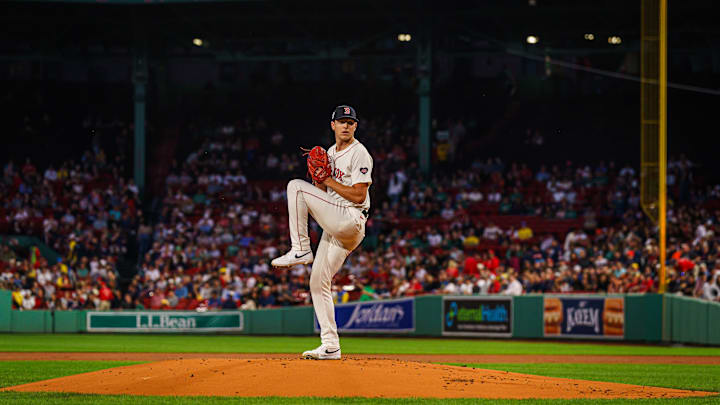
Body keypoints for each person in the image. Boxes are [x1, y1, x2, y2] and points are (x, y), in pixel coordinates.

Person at [271, 105, 372, 360]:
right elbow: (325, 195)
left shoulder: (359, 153)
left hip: (351, 218)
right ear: (333, 126)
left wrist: (325, 181)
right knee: (318, 283)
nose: (346, 125)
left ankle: (301, 248)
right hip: (336, 223)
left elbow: (359, 194)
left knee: (295, 186)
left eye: (350, 122)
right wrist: (319, 180)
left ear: (355, 127)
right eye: (342, 121)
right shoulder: (329, 152)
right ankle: (330, 345)